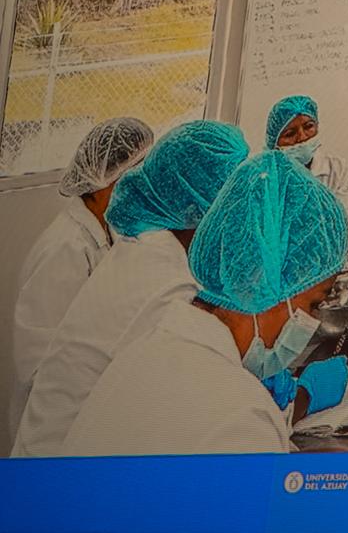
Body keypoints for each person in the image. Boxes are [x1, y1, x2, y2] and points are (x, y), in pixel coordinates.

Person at [61, 150, 348, 457]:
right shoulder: (242, 413)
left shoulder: (141, 351)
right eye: (315, 303)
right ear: (266, 286)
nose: (313, 320)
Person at [11, 121, 249, 457]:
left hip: (73, 440)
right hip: (61, 453)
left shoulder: (147, 248)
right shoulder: (162, 276)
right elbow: (37, 363)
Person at [9, 118, 153, 434]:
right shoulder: (66, 249)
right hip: (52, 421)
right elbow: (37, 361)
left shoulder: (105, 230)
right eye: (132, 177)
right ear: (103, 181)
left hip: (85, 405)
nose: (140, 188)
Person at [266, 95, 348, 240]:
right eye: (290, 134)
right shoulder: (267, 176)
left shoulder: (335, 168)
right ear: (274, 143)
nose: (302, 137)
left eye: (308, 127)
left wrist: (331, 244)